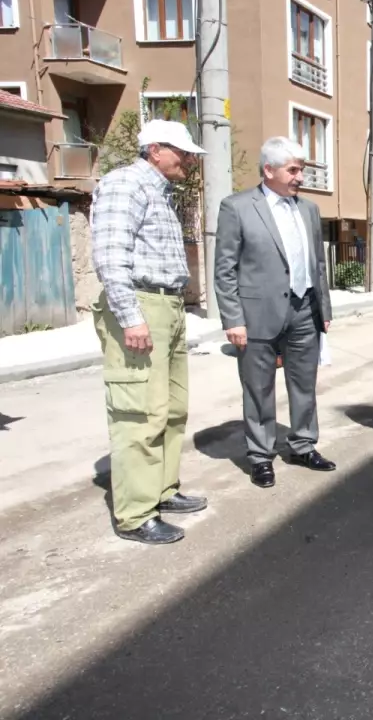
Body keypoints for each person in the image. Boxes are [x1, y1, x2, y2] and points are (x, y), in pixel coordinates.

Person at [90, 119, 208, 545]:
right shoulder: (126, 185)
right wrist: (131, 316)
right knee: (139, 414)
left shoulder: (159, 192)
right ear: (155, 149)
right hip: (142, 306)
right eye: (182, 151)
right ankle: (137, 514)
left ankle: (162, 490)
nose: (190, 160)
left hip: (169, 306)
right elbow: (109, 256)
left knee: (171, 409)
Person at [214, 137, 335, 489]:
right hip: (257, 315)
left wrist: (322, 308)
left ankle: (302, 445)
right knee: (258, 389)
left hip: (303, 310)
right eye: (293, 169)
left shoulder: (309, 210)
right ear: (269, 170)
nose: (300, 176)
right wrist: (233, 319)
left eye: (302, 169)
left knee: (304, 386)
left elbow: (318, 264)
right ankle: (261, 455)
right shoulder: (236, 207)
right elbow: (224, 269)